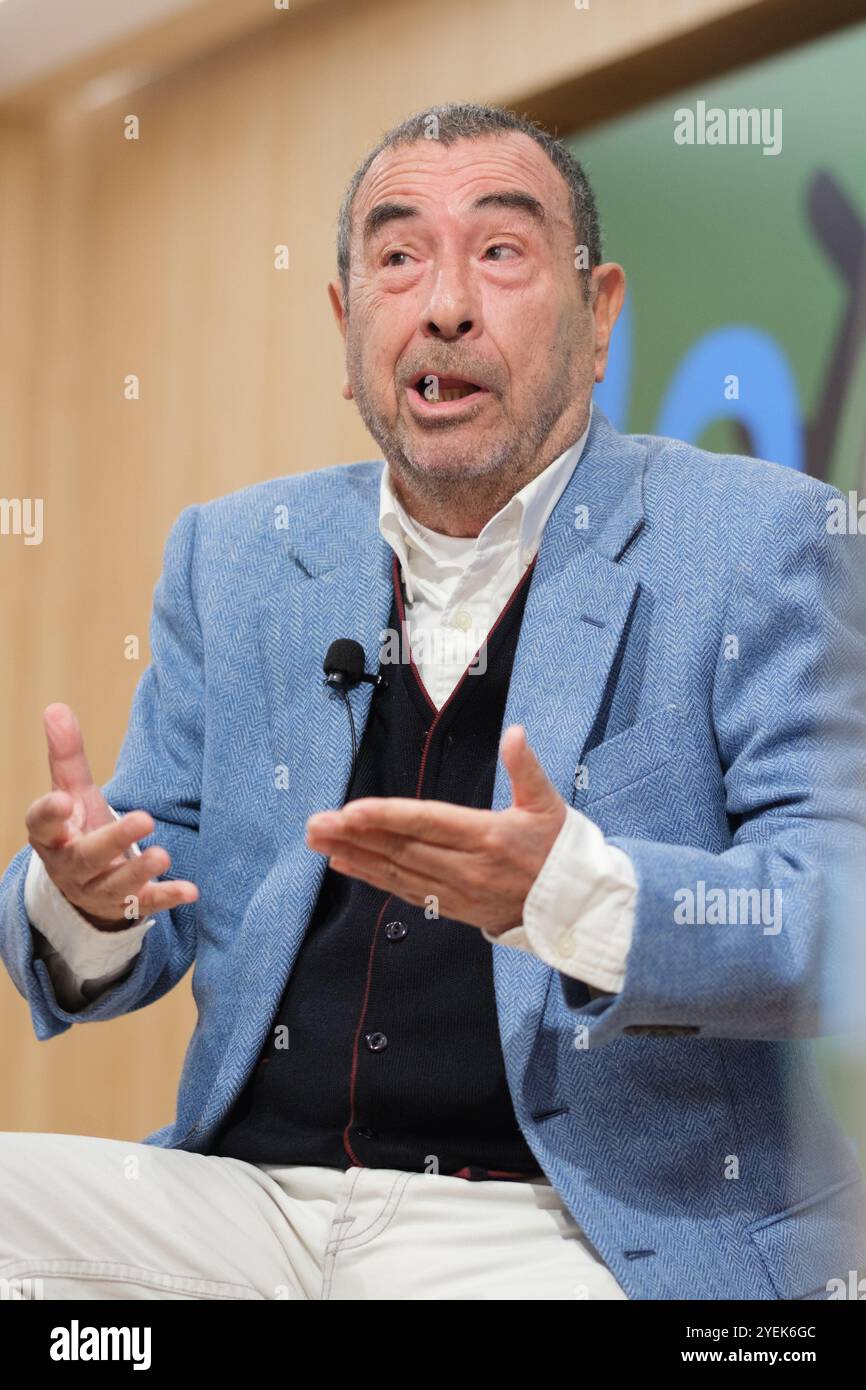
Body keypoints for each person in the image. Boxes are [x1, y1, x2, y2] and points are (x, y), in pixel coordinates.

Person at [1, 102, 865, 1302]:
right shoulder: (241, 553)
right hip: (246, 1204)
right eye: (397, 256)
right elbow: (157, 876)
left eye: (500, 252)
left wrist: (579, 897)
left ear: (598, 311)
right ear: (348, 321)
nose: (443, 304)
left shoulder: (754, 540)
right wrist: (86, 899)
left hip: (562, 1224)